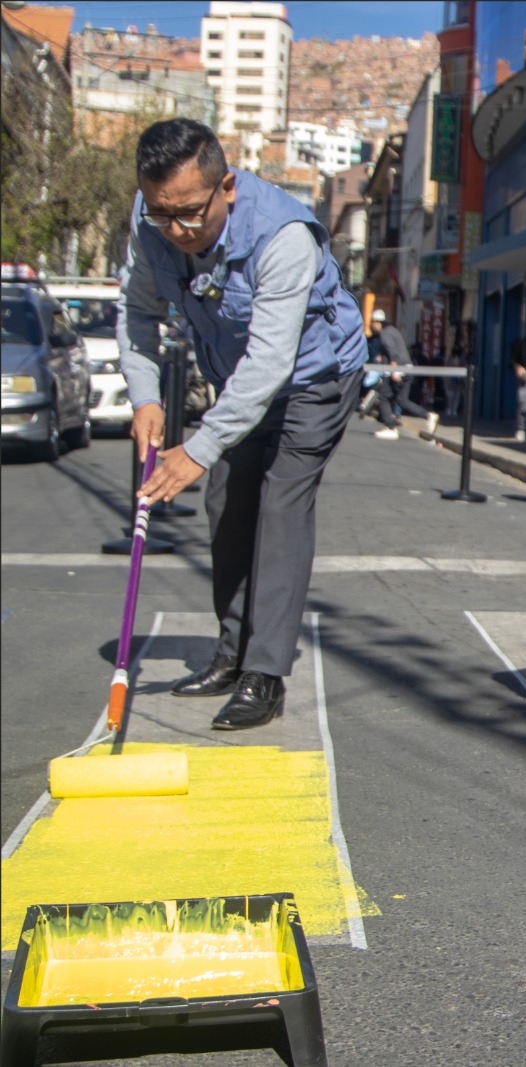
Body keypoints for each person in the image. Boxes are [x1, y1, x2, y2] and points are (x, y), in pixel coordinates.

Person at [118, 118, 367, 729]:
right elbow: (136, 309)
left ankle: (265, 673)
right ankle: (230, 655)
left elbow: (270, 361)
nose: (176, 231)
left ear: (226, 186)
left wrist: (198, 447)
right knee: (227, 503)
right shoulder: (150, 222)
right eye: (162, 214)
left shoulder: (282, 237)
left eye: (191, 214)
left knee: (281, 505)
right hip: (241, 381)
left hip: (316, 378)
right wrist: (145, 396)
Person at [370, 309, 438, 440]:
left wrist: (394, 371)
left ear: (378, 323)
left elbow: (393, 352)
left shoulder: (384, 334)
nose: (372, 325)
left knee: (383, 396)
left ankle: (390, 427)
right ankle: (428, 416)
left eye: (373, 322)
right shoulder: (393, 331)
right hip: (407, 367)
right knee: (402, 400)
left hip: (397, 368)